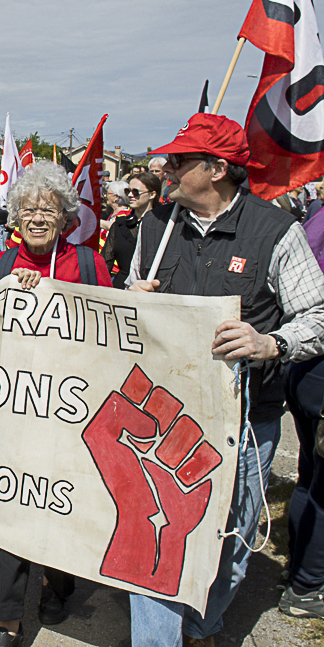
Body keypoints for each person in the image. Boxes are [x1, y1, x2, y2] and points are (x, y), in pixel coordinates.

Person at [127, 113, 324, 647]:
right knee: (158, 537)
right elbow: (126, 315)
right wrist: (133, 305)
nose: (164, 167)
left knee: (231, 542)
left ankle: (201, 626)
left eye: (179, 159)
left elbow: (318, 314)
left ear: (217, 168)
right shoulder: (154, 226)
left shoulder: (275, 231)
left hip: (247, 420)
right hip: (165, 417)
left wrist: (271, 343)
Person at [0, 160, 112, 647]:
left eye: (48, 209)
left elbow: (112, 332)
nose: (37, 217)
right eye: (28, 208)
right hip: (12, 412)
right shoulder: (2, 265)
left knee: (59, 507)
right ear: (15, 215)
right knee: (8, 511)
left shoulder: (90, 264)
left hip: (70, 414)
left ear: (65, 216)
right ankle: (9, 621)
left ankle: (58, 581)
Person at [102, 172, 161, 289]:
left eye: (135, 192)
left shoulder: (163, 227)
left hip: (152, 289)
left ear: (152, 194)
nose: (130, 195)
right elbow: (105, 263)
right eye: (127, 191)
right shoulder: (119, 225)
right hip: (121, 288)